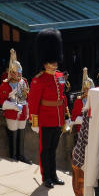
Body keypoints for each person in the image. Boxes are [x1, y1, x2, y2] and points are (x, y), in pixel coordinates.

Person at [28, 29, 68, 187]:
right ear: (45, 62)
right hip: (45, 119)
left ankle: (54, 175)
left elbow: (62, 98)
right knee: (45, 150)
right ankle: (46, 177)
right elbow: (33, 102)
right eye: (52, 61)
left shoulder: (59, 76)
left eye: (55, 61)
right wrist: (35, 122)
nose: (54, 64)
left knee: (53, 149)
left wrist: (65, 117)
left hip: (57, 118)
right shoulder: (39, 80)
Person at [0, 48, 31, 164]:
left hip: (23, 111)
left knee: (22, 133)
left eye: (20, 73)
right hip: (12, 113)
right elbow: (2, 101)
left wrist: (28, 112)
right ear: (12, 73)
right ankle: (13, 156)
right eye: (18, 73)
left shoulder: (24, 82)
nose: (19, 75)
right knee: (13, 133)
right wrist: (13, 106)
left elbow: (27, 97)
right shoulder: (5, 85)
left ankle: (21, 155)